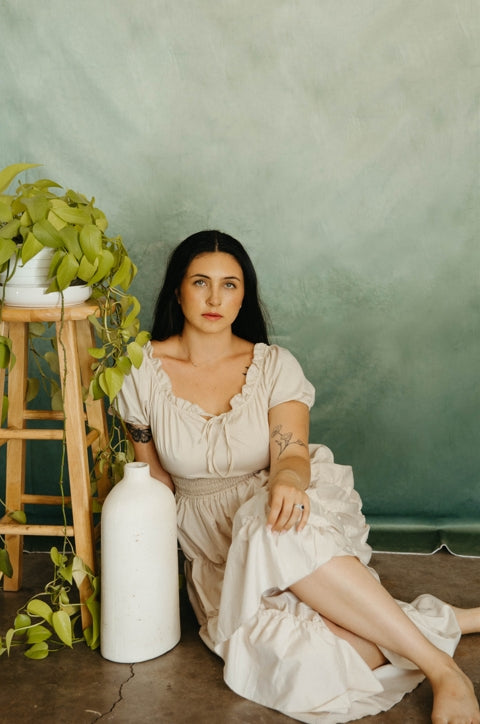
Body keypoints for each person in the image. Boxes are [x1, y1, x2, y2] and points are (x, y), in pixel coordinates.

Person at [113, 230, 480, 724]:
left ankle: (445, 673)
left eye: (230, 285)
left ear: (245, 295)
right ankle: (447, 621)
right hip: (213, 545)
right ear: (177, 291)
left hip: (280, 510)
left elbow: (291, 451)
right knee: (309, 667)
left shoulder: (272, 365)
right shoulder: (141, 371)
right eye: (201, 282)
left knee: (270, 526)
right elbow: (151, 476)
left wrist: (288, 480)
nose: (215, 298)